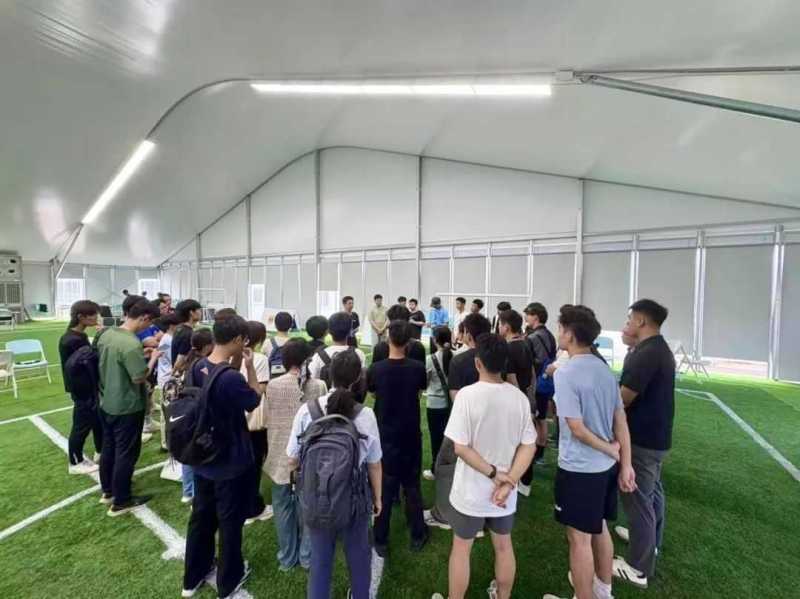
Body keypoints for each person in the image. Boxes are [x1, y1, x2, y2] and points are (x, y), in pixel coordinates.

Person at [543, 305, 636, 599]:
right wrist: (624, 463)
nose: (558, 333)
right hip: (604, 468)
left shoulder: (566, 373)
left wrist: (612, 450)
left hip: (580, 469)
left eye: (561, 328)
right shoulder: (604, 369)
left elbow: (577, 428)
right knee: (600, 527)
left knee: (578, 539)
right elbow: (620, 419)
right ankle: (603, 591)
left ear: (570, 334)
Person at [442, 333, 536, 599]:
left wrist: (497, 476)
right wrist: (509, 481)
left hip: (472, 491)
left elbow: (460, 447)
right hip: (504, 493)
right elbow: (529, 445)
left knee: (462, 549)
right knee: (503, 546)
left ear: (478, 363)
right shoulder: (518, 398)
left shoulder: (466, 396)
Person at [287, 351, 383, 599]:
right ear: (358, 378)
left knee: (320, 561)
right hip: (355, 497)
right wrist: (378, 498)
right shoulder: (366, 415)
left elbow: (292, 458)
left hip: (317, 495)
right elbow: (374, 464)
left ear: (328, 375)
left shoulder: (307, 410)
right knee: (359, 558)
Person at [182, 315, 262, 599]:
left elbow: (220, 383)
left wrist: (238, 362)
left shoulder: (198, 366)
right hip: (228, 460)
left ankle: (193, 576)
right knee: (230, 521)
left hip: (202, 456)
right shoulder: (231, 378)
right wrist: (250, 368)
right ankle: (230, 579)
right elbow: (253, 400)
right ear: (238, 339)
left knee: (201, 517)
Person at [613, 299, 675, 589]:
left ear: (641, 321)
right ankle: (650, 543)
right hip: (656, 437)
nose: (626, 325)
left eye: (629, 320)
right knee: (652, 494)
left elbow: (624, 398)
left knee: (638, 500)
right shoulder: (656, 348)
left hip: (642, 439)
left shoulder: (648, 353)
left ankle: (638, 567)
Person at [424, 313, 491, 532]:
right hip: (491, 424)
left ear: (468, 334)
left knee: (446, 467)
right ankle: (481, 519)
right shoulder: (497, 356)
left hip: (464, 425)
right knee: (484, 468)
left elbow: (455, 396)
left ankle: (444, 515)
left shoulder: (460, 360)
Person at [368, 319, 429, 557]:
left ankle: (381, 538)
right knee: (412, 486)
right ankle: (417, 534)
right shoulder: (417, 368)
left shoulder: (377, 369)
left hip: (386, 435)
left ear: (388, 339)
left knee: (384, 487)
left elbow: (373, 393)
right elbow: (420, 390)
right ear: (408, 342)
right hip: (410, 434)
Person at [265, 338, 326, 571]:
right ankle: (306, 556)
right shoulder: (318, 386)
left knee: (282, 507)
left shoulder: (273, 385)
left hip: (280, 457)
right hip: (309, 458)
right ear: (307, 360)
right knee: (308, 508)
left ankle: (287, 557)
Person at [96, 299, 162, 515]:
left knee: (109, 447)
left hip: (107, 400)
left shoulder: (107, 334)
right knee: (126, 453)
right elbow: (138, 377)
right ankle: (122, 500)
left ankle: (108, 491)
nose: (149, 327)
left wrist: (141, 355)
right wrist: (152, 359)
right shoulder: (131, 343)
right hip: (127, 405)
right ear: (144, 318)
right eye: (149, 322)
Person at [59, 300, 103, 474]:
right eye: (92, 315)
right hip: (82, 388)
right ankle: (75, 462)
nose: (96, 318)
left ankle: (100, 451)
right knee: (81, 425)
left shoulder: (80, 336)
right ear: (81, 317)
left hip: (90, 386)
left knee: (98, 420)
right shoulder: (71, 340)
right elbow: (85, 361)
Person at [176, 329, 214, 504]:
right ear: (207, 346)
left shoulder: (190, 360)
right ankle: (194, 493)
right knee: (196, 453)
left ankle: (188, 491)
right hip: (197, 413)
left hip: (187, 411)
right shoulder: (202, 365)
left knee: (189, 451)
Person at [241, 320, 273, 525]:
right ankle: (252, 507)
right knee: (253, 463)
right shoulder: (259, 359)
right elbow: (259, 391)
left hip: (236, 417)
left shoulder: (232, 356)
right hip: (252, 419)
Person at [523, 302, 558, 471]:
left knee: (537, 419)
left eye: (528, 314)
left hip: (537, 383)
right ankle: (540, 454)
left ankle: (536, 454)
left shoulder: (533, 338)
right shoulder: (549, 335)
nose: (525, 317)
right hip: (547, 382)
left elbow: (531, 362)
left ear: (535, 317)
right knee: (542, 418)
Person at [422, 326, 453, 482]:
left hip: (434, 404)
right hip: (451, 403)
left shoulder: (430, 359)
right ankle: (450, 468)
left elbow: (425, 382)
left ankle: (436, 469)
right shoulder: (456, 355)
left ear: (435, 340)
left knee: (436, 439)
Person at [308, 312, 367, 381]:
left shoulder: (318, 356)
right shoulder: (359, 354)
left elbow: (310, 379)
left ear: (329, 331)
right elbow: (363, 378)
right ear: (349, 331)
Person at [266, 311, 293, 379]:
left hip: (272, 378)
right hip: (290, 378)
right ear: (291, 325)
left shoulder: (267, 342)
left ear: (275, 325)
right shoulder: (295, 343)